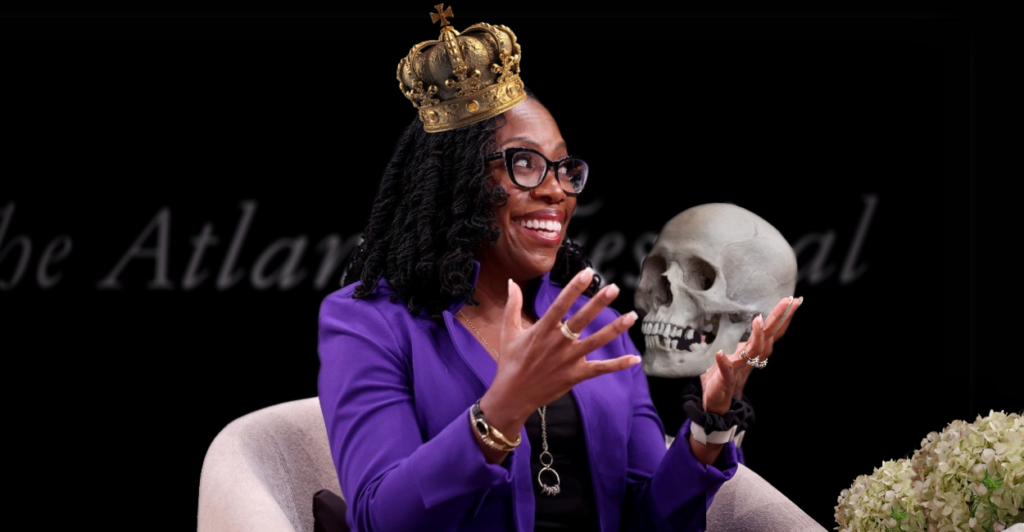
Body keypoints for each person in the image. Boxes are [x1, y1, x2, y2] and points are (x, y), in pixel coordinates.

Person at [318, 12, 799, 532]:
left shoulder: (599, 326)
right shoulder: (369, 323)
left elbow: (648, 520)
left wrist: (710, 423)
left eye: (564, 168)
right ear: (455, 182)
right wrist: (500, 411)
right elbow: (380, 518)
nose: (555, 191)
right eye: (524, 164)